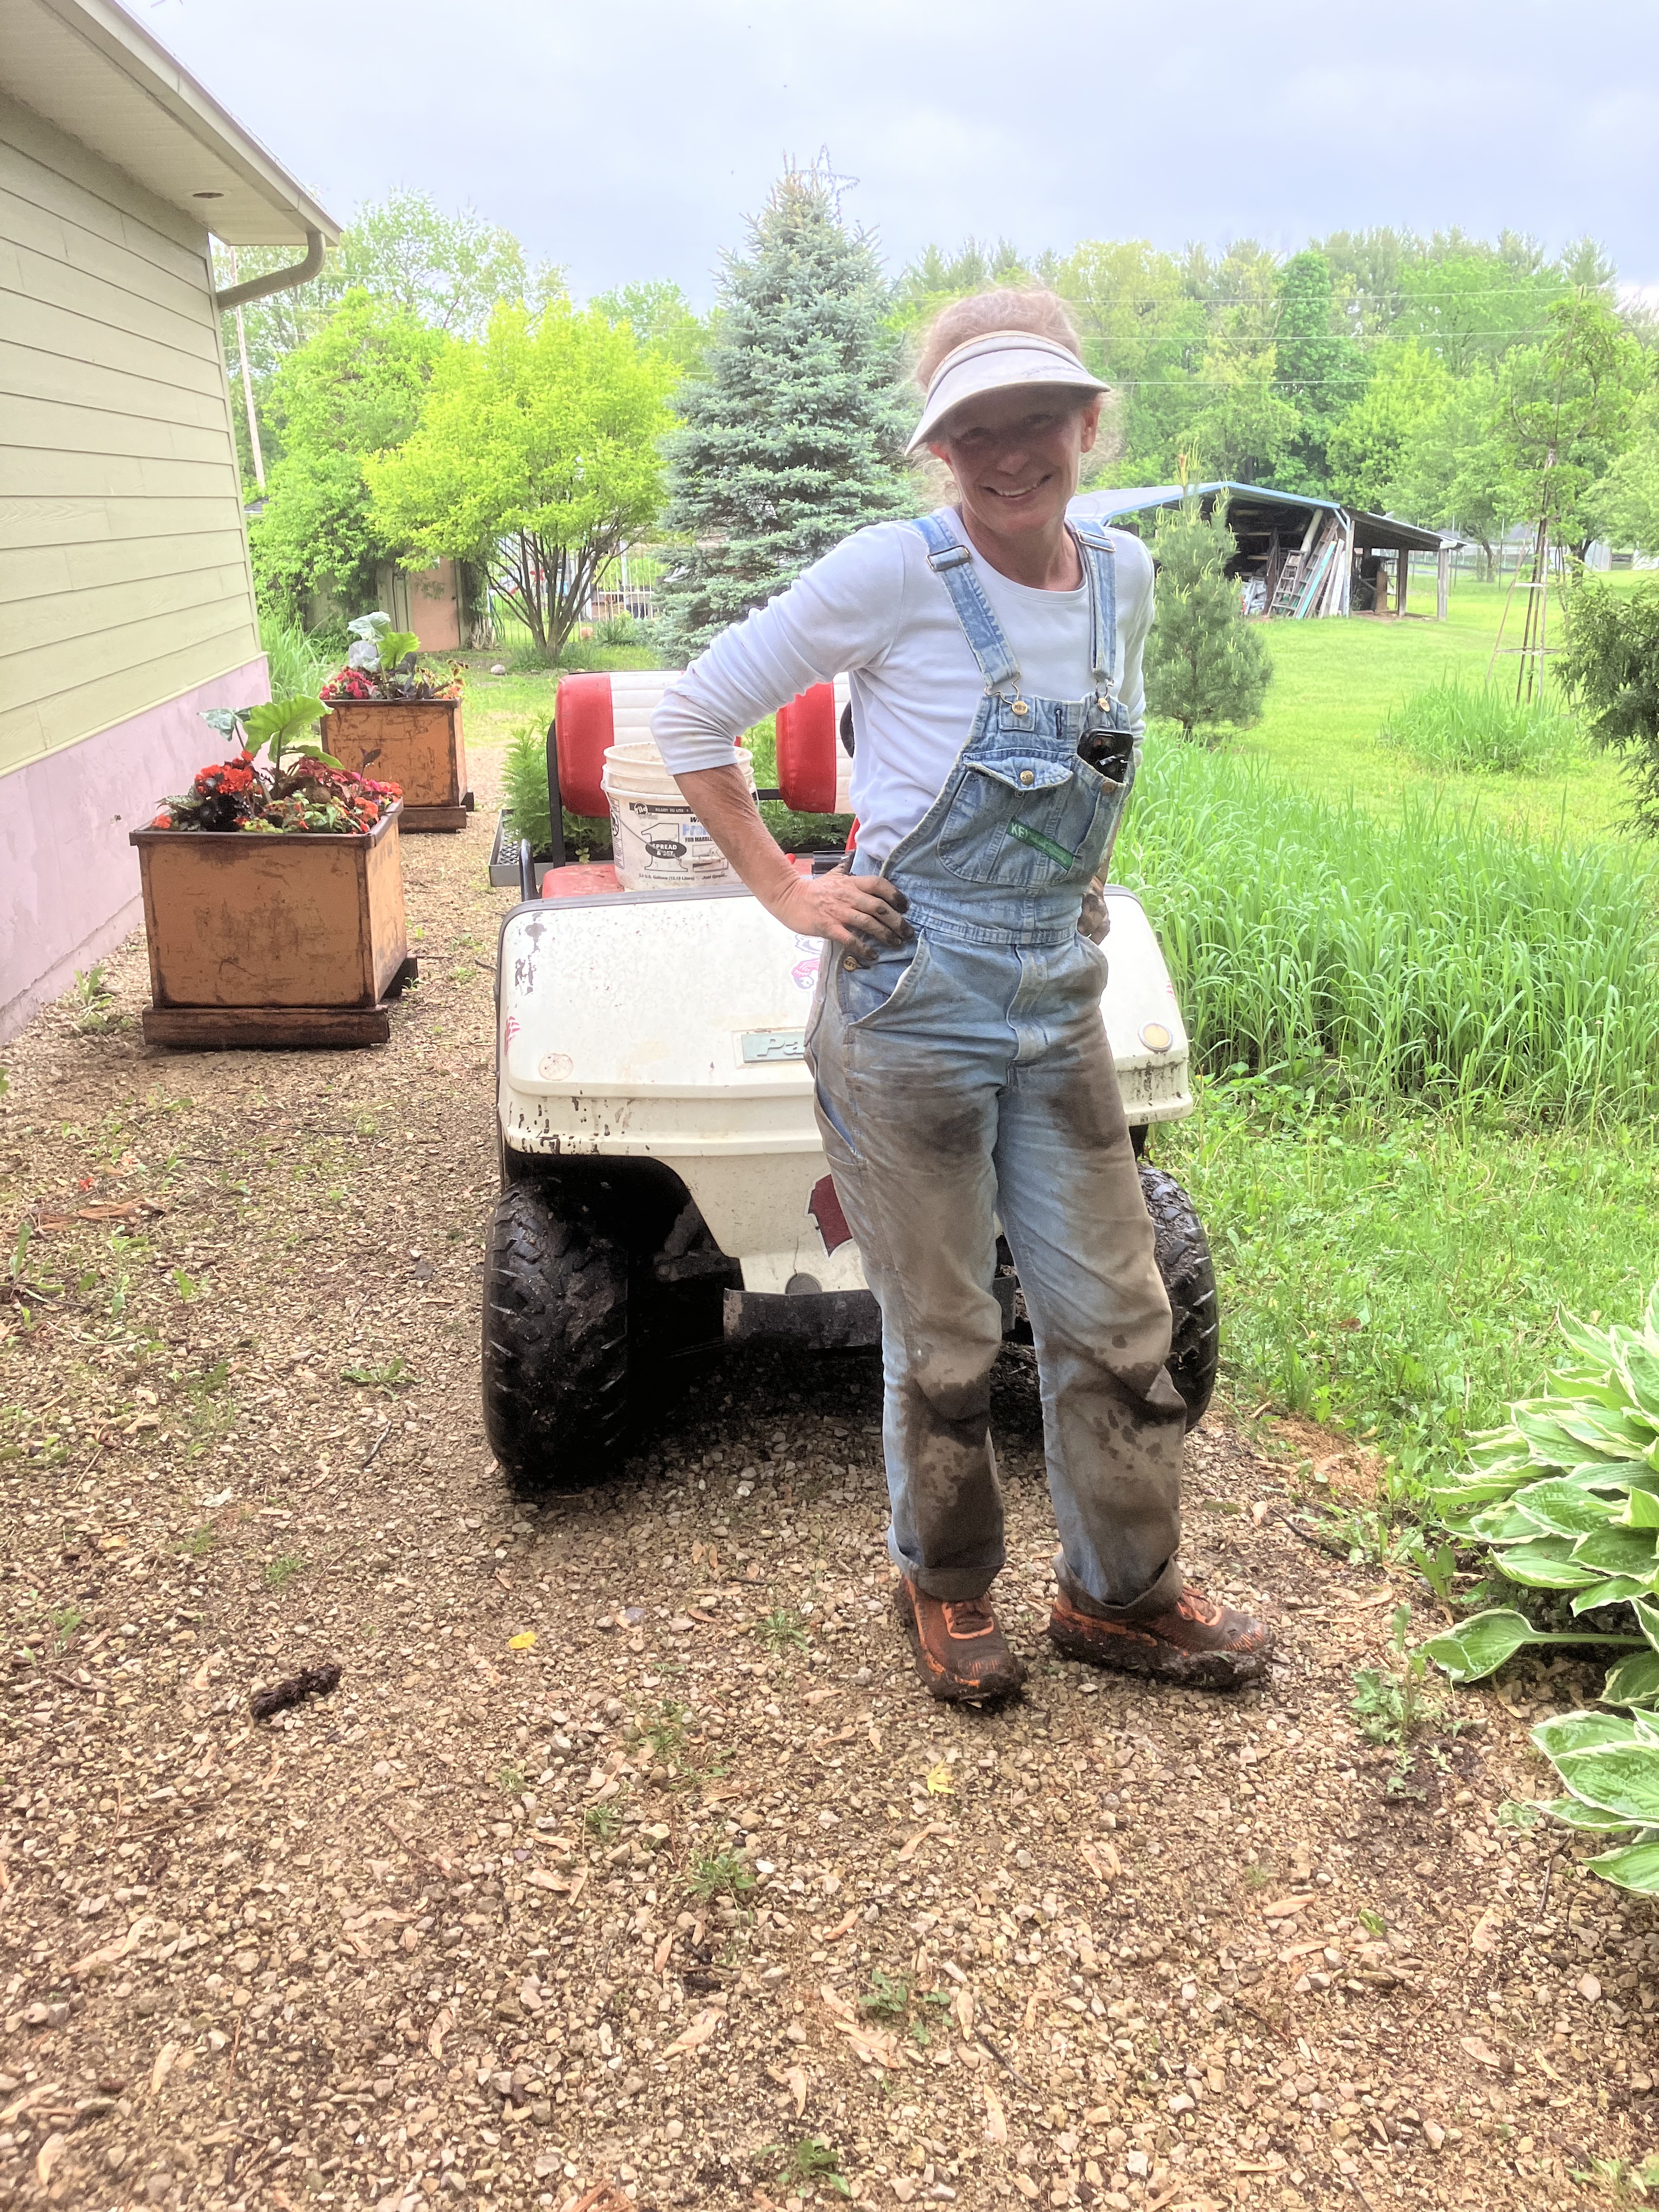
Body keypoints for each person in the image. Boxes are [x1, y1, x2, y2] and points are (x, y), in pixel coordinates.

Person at [653, 289, 1272, 1701]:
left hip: (1058, 998)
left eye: (1036, 418)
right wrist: (789, 889)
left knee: (1118, 1317)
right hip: (912, 1002)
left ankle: (1122, 1597)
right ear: (939, 448)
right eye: (973, 429)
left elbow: (1096, 754)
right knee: (946, 1334)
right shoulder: (895, 571)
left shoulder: (1124, 579)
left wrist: (1083, 873)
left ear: (1089, 425)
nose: (1008, 454)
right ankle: (944, 1587)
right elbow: (692, 714)